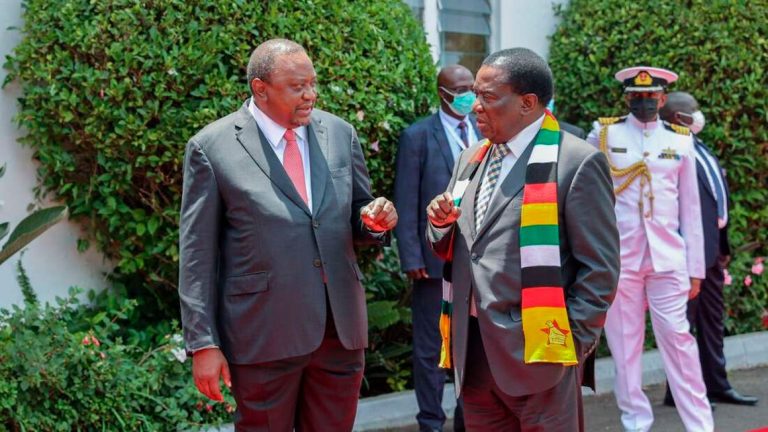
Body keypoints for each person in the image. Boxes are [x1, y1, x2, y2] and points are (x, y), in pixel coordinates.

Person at [178, 38, 398, 431]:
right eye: (297, 87)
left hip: (339, 332)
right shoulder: (212, 147)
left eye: (313, 84)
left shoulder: (339, 133)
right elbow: (197, 255)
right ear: (260, 88)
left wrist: (374, 220)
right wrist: (203, 343)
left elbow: (357, 210)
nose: (310, 95)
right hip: (263, 335)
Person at [426, 47, 620, 431]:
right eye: (475, 95)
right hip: (475, 354)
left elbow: (600, 269)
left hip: (541, 356)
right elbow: (462, 247)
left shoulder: (576, 162)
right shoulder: (471, 158)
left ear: (527, 103)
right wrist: (440, 224)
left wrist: (571, 345)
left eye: (487, 96)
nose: (475, 106)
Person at [587, 67, 714, 432]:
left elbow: (691, 210)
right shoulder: (605, 134)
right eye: (636, 97)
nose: (643, 102)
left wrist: (695, 269)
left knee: (678, 340)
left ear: (662, 98)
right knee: (625, 348)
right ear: (627, 98)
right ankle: (636, 423)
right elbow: (590, 196)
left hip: (667, 258)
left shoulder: (680, 141)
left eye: (650, 96)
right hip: (620, 258)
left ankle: (700, 425)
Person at [659, 91, 759, 407]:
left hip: (712, 252)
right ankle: (679, 392)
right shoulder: (669, 152)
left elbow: (716, 198)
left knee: (712, 322)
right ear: (679, 117)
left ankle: (716, 385)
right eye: (695, 110)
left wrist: (723, 245)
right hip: (686, 255)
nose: (700, 115)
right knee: (683, 326)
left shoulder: (698, 146)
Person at [394, 64, 478, 432]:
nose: (468, 96)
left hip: (476, 262)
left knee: (470, 346)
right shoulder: (417, 136)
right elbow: (406, 197)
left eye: (471, 88)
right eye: (460, 90)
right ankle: (430, 422)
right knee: (430, 349)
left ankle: (467, 420)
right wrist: (411, 256)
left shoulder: (484, 131)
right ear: (442, 94)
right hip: (432, 262)